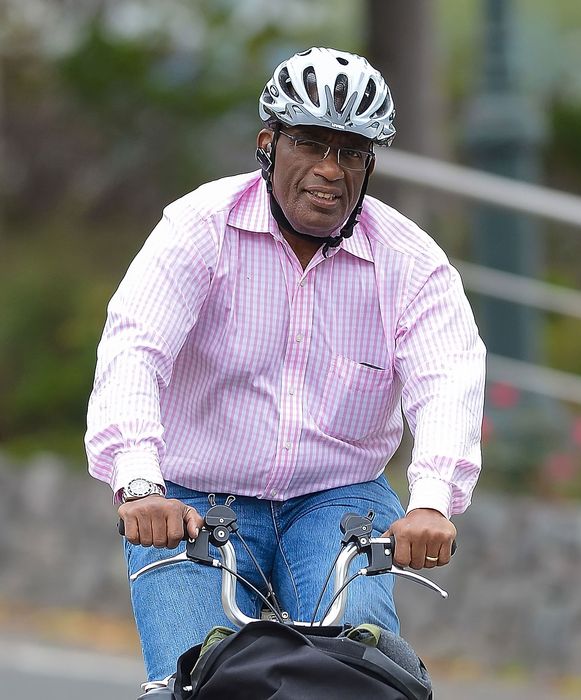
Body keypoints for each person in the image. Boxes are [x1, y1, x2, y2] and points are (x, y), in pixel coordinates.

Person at [85, 46, 486, 683]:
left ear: (370, 164)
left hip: (338, 500)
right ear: (268, 143)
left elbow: (448, 380)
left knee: (361, 670)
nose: (330, 170)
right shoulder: (198, 227)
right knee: (192, 678)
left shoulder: (413, 262)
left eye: (351, 152)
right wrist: (140, 485)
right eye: (309, 143)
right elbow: (135, 348)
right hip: (193, 500)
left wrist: (433, 501)